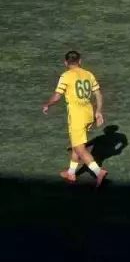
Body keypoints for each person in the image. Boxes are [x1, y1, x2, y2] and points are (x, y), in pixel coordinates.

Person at [41, 51, 107, 186]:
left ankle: (98, 172)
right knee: (77, 144)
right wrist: (98, 111)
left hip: (77, 117)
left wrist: (48, 104)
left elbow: (57, 96)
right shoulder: (89, 74)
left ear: (66, 63)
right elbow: (98, 94)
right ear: (80, 61)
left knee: (79, 148)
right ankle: (71, 173)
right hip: (88, 114)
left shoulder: (66, 76)